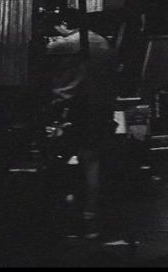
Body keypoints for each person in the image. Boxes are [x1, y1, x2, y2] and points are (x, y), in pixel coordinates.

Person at [45, 16, 118, 238]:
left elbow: (44, 55)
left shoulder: (68, 43)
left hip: (77, 108)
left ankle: (59, 217)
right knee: (92, 161)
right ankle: (90, 216)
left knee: (56, 160)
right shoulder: (102, 41)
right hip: (101, 108)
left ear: (64, 24)